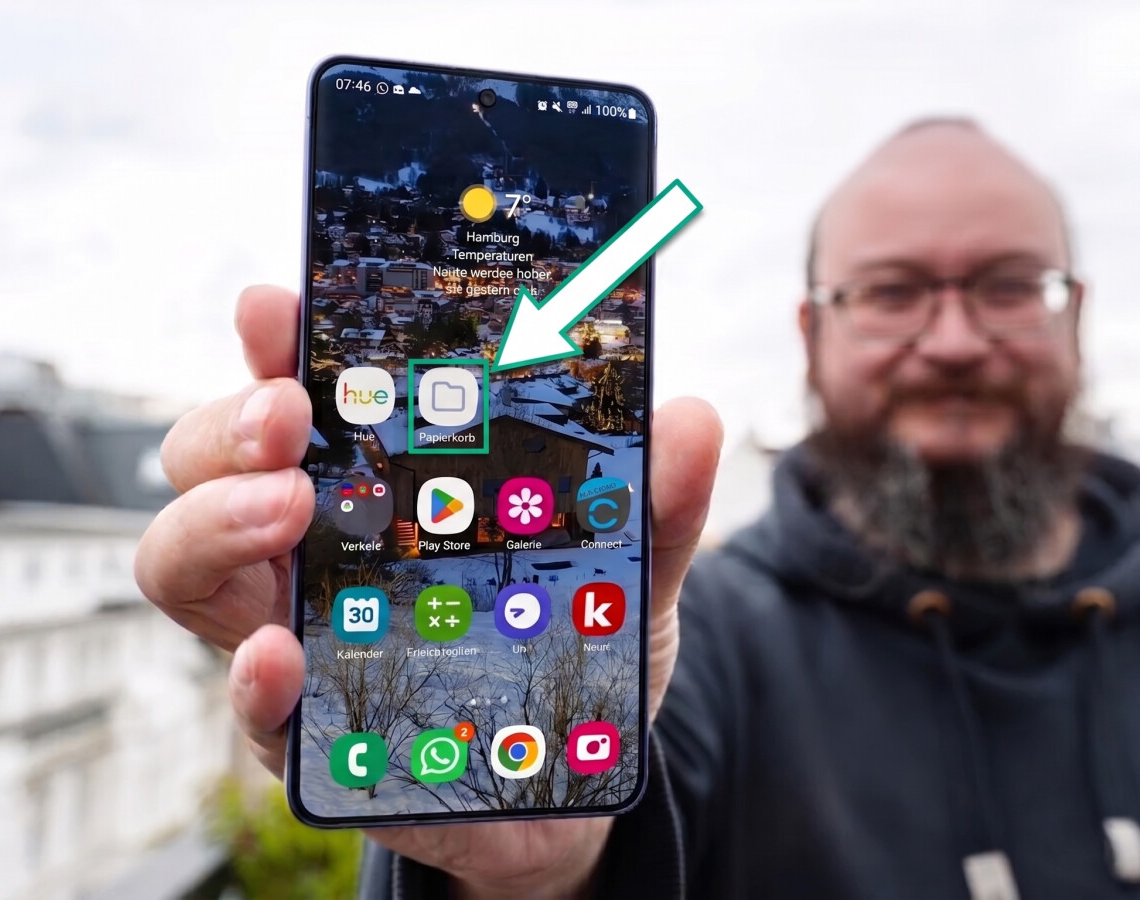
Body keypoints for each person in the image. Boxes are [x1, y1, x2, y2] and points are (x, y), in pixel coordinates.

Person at [135, 118, 1140, 899]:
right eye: (892, 292)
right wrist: (530, 877)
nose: (954, 341)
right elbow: (610, 823)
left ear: (1078, 314)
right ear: (810, 335)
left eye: (1011, 286)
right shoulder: (699, 639)